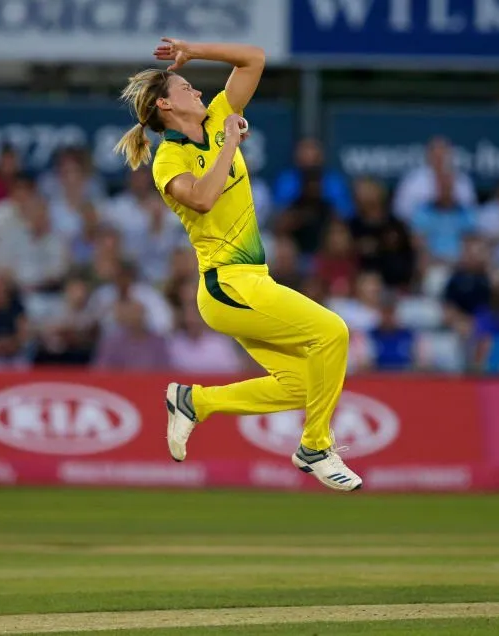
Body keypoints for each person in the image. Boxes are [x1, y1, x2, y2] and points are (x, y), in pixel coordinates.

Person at [114, 38, 359, 491]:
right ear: (166, 104)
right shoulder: (170, 157)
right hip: (225, 286)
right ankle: (315, 446)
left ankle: (195, 402)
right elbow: (204, 199)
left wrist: (193, 51)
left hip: (252, 283)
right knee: (333, 333)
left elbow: (254, 58)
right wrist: (229, 141)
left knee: (306, 384)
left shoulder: (217, 114)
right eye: (188, 87)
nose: (201, 93)